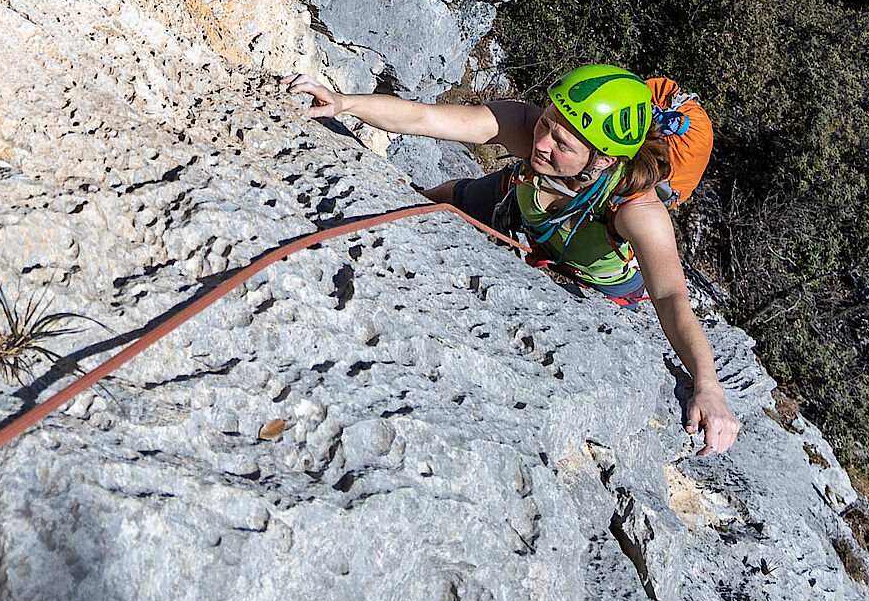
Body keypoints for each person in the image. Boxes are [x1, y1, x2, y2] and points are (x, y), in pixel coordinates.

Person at [283, 64, 742, 455]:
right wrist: (344, 103)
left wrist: (708, 386)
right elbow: (428, 117)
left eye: (562, 143)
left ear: (602, 161)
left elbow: (669, 294)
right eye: (546, 124)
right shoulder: (530, 133)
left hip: (592, 276)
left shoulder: (637, 210)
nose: (542, 143)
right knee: (439, 200)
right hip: (521, 208)